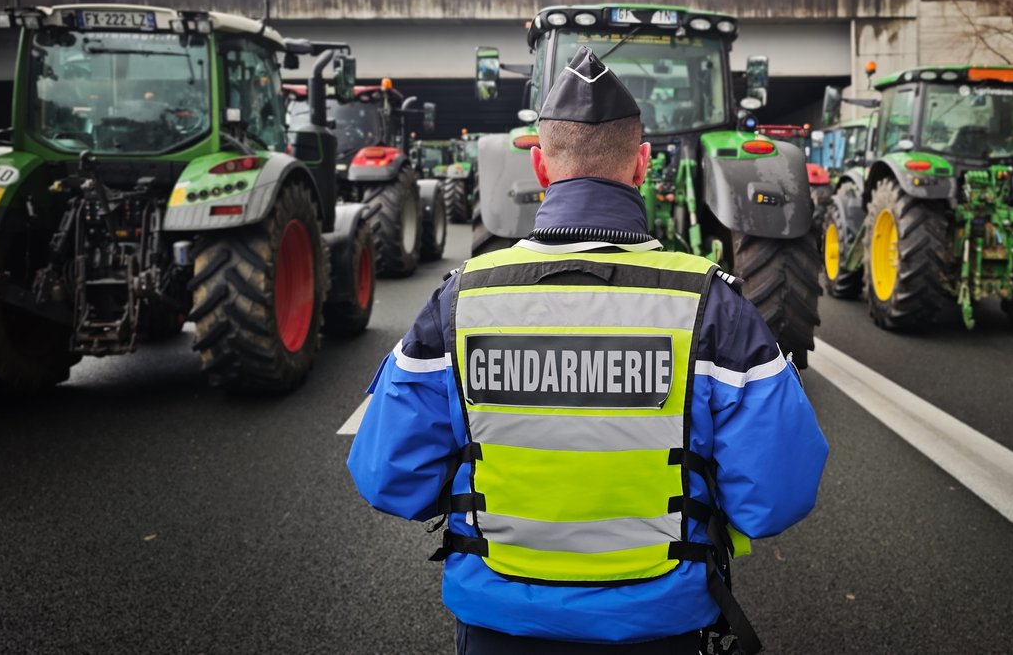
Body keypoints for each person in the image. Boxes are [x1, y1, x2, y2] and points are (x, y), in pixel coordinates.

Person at [347, 46, 829, 655]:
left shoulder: (459, 301)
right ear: (643, 165)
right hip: (664, 626)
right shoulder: (714, 307)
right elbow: (776, 494)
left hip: (499, 625)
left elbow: (388, 476)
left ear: (541, 170)